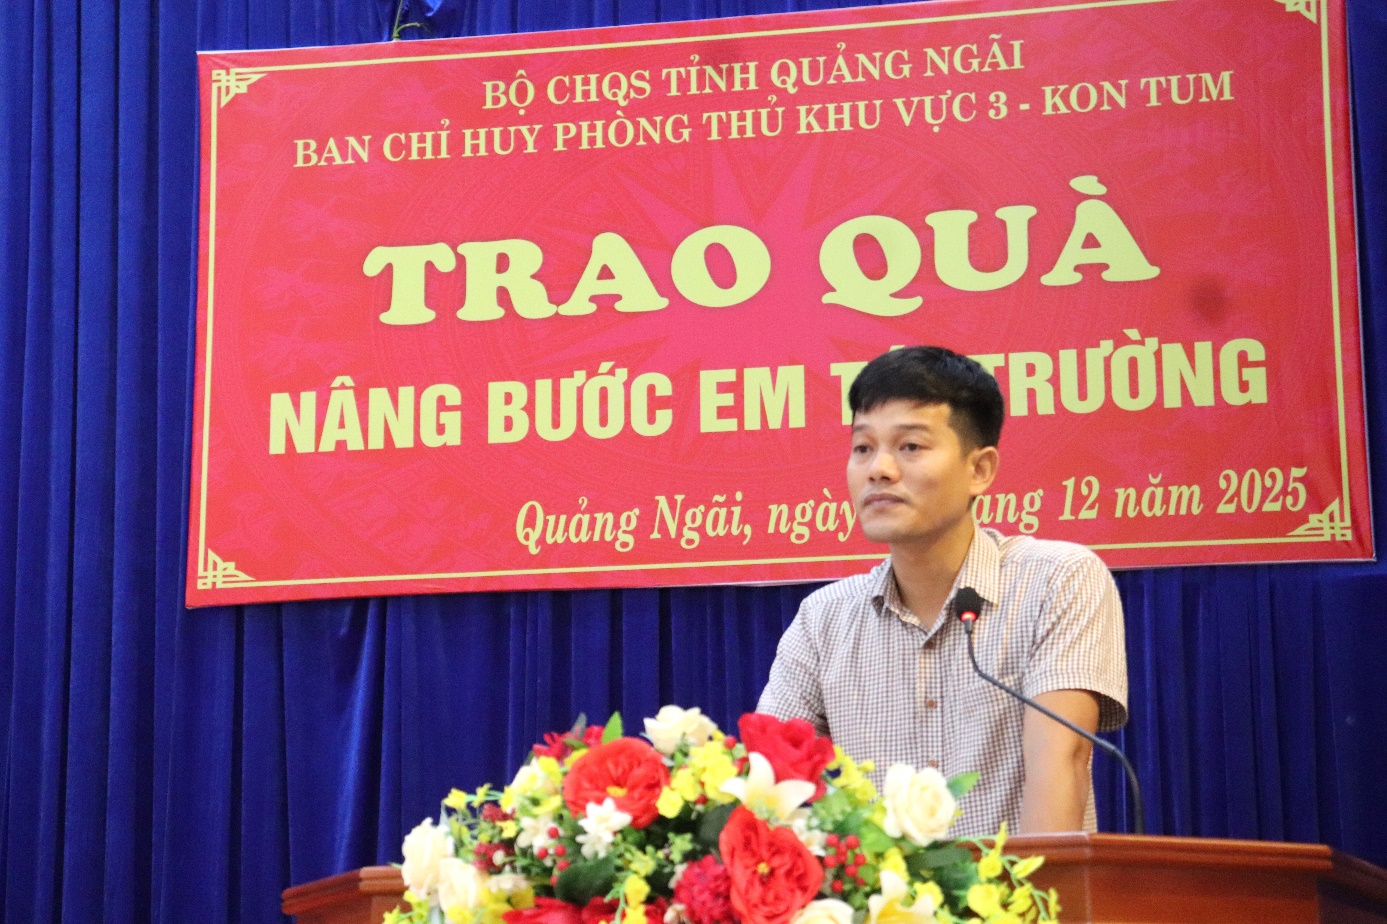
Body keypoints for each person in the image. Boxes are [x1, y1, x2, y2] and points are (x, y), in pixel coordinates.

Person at [757, 345, 1127, 836]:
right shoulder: (823, 619)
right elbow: (766, 781)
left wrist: (1029, 886)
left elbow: (1062, 759)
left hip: (1019, 883)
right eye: (863, 447)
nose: (879, 469)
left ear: (980, 470)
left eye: (910, 446)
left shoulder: (1057, 580)